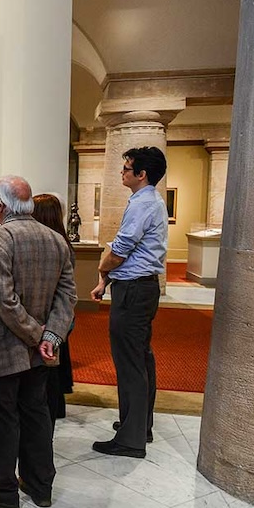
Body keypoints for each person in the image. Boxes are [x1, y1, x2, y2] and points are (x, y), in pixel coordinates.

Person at [0, 175, 76, 508]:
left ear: (0, 205)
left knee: (2, 418)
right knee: (36, 414)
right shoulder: (56, 240)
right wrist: (50, 337)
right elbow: (67, 296)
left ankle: (2, 490)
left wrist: (37, 334)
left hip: (4, 347)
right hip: (40, 352)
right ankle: (39, 483)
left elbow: (5, 301)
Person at [90, 146, 168, 458]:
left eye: (127, 168)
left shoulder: (143, 203)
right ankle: (138, 424)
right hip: (140, 287)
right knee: (140, 358)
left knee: (131, 362)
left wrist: (102, 269)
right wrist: (107, 276)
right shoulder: (148, 201)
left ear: (142, 174)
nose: (122, 172)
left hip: (134, 290)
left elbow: (121, 250)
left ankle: (131, 438)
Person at [32, 193, 76, 427]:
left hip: (50, 316)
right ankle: (56, 406)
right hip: (59, 317)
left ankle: (51, 408)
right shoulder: (64, 243)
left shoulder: (55, 246)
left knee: (48, 368)